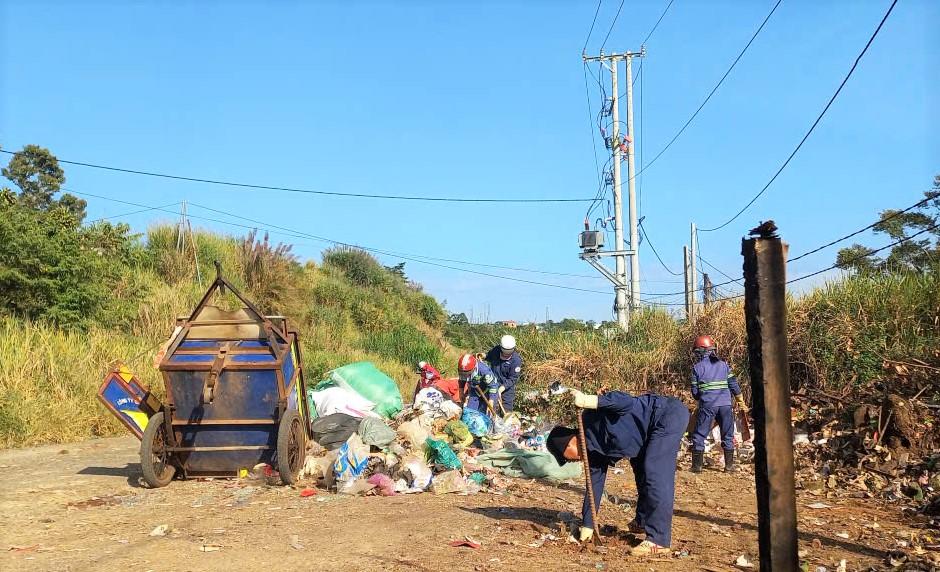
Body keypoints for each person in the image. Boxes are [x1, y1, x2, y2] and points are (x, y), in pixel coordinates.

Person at [546, 388, 689, 556]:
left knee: (655, 472)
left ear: (568, 443)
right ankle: (642, 522)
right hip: (645, 438)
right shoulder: (593, 454)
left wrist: (591, 401)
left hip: (665, 415)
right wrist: (588, 525)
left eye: (567, 458)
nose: (572, 461)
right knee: (642, 470)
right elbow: (593, 487)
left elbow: (625, 401)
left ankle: (658, 540)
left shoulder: (591, 418)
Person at [689, 335, 748, 473]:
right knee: (727, 434)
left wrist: (703, 398)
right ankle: (729, 466)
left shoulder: (697, 368)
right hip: (726, 406)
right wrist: (741, 401)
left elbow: (695, 393)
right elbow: (734, 385)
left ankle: (697, 467)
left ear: (701, 351)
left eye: (697, 352)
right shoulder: (724, 365)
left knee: (699, 435)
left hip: (708, 406)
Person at [485, 334, 523, 412]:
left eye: (508, 353)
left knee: (506, 412)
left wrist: (500, 389)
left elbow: (512, 379)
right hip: (492, 385)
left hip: (506, 389)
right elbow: (488, 357)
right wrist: (483, 356)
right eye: (504, 352)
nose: (506, 355)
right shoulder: (496, 350)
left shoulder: (516, 360)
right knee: (491, 409)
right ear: (501, 347)